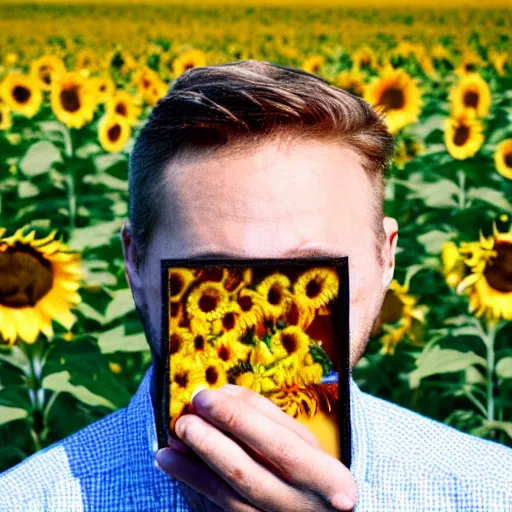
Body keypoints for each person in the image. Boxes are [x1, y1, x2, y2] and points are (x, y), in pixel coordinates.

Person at [1, 59, 511, 512]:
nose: (266, 315)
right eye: (213, 277)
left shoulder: (489, 493)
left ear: (385, 259)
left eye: (311, 277)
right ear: (134, 263)